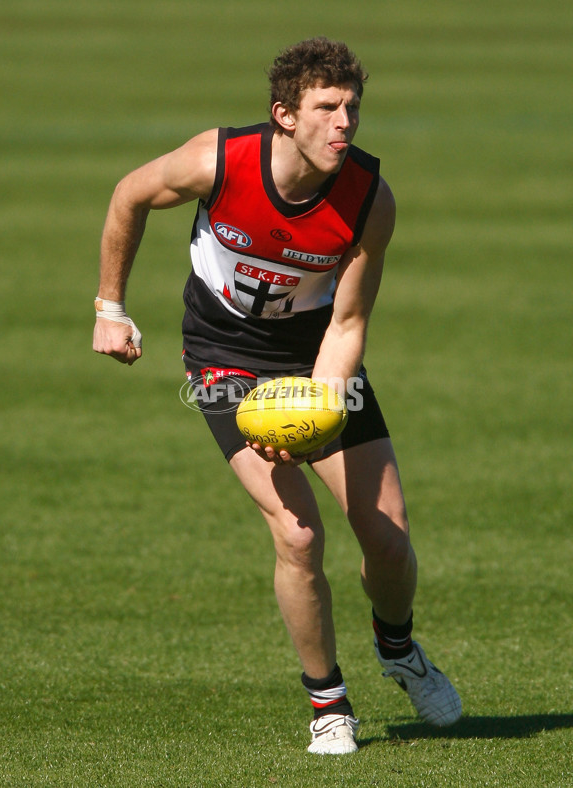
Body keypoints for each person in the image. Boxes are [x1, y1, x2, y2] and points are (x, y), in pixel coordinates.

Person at [93, 37, 462, 755]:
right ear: (284, 115)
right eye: (327, 108)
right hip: (224, 357)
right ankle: (329, 702)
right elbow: (129, 195)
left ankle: (399, 648)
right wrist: (110, 307)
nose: (345, 123)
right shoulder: (218, 162)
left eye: (352, 108)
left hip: (315, 356)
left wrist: (318, 412)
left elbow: (349, 322)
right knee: (297, 533)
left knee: (387, 540)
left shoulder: (368, 200)